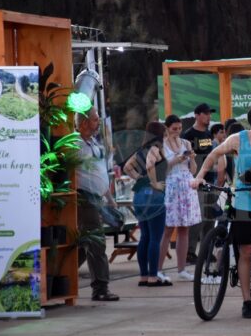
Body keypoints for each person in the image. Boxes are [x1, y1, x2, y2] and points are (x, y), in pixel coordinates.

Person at [191, 105, 251, 319]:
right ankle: (247, 301)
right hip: (244, 204)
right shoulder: (238, 139)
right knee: (246, 252)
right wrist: (200, 176)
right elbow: (213, 155)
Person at [75, 107, 119, 301]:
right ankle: (100, 288)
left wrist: (110, 199)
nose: (98, 122)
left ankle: (58, 275)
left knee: (84, 245)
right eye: (95, 119)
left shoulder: (93, 142)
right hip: (84, 199)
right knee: (96, 243)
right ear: (84, 122)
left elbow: (99, 174)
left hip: (97, 199)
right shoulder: (74, 144)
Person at [123, 122, 172, 287]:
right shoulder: (155, 148)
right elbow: (151, 164)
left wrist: (140, 178)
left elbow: (127, 167)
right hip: (154, 197)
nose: (166, 136)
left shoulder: (140, 151)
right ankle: (153, 276)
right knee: (155, 239)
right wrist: (154, 183)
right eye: (164, 133)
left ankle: (144, 276)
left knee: (144, 237)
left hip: (139, 197)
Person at [156, 115, 202, 281]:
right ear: (167, 128)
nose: (177, 132)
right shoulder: (162, 145)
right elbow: (162, 168)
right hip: (172, 184)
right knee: (168, 228)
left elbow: (194, 169)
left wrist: (191, 159)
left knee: (185, 228)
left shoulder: (186, 143)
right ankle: (158, 269)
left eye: (179, 128)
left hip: (186, 183)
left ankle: (182, 269)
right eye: (174, 129)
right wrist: (177, 159)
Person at [183, 103, 217, 264]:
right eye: (205, 113)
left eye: (209, 113)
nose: (209, 116)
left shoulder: (209, 134)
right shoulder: (188, 135)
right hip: (196, 182)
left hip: (211, 180)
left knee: (210, 218)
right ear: (197, 115)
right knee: (198, 218)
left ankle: (207, 251)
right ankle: (190, 252)